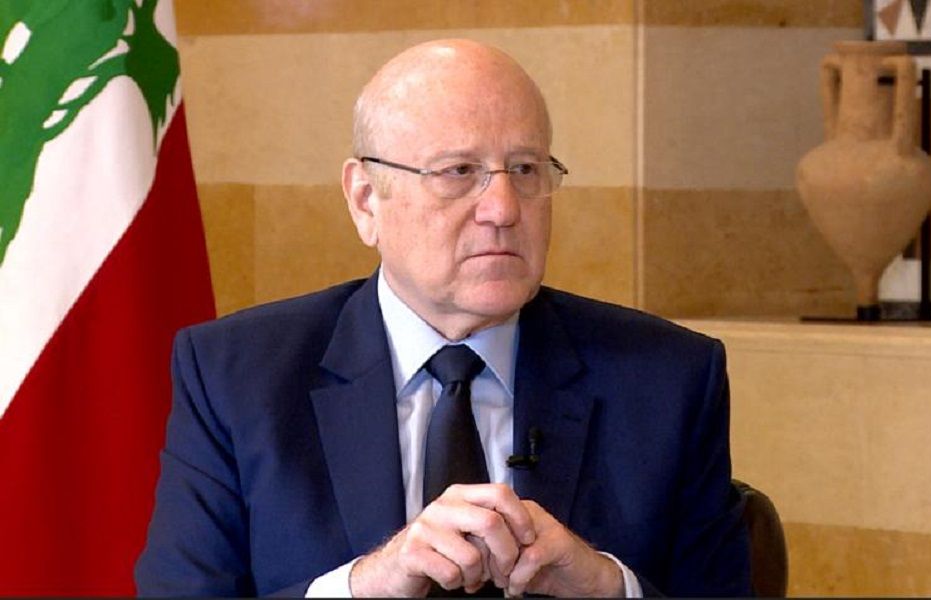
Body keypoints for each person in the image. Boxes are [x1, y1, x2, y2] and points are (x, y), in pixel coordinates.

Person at [135, 39, 750, 597]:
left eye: (526, 169)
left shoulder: (668, 379)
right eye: (459, 172)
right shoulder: (235, 377)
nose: (503, 209)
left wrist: (609, 589)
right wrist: (365, 587)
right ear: (366, 200)